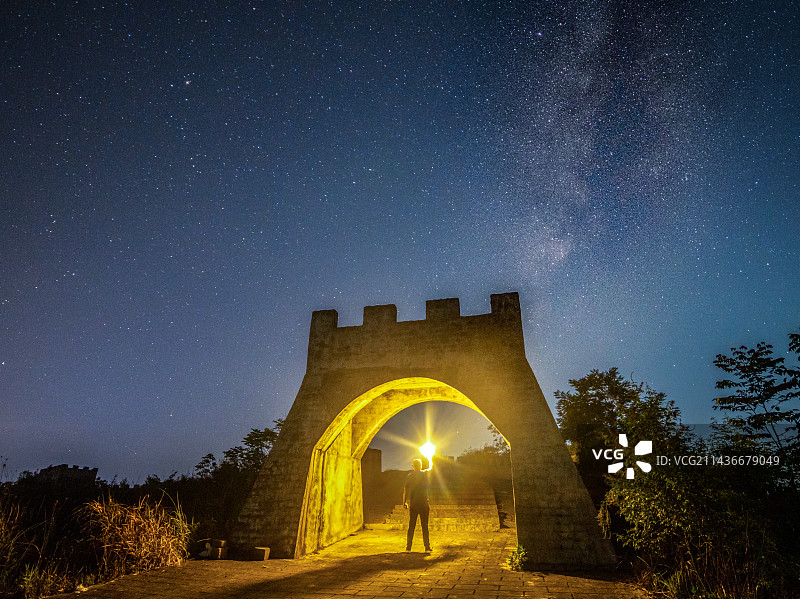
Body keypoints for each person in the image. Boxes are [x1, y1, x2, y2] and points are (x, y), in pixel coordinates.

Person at [403, 456, 433, 552]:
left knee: (411, 526)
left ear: (413, 466)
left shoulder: (409, 476)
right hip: (423, 503)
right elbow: (431, 468)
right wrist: (431, 459)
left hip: (414, 504)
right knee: (425, 526)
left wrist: (404, 502)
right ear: (420, 466)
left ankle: (408, 548)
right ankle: (427, 548)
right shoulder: (424, 473)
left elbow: (405, 490)